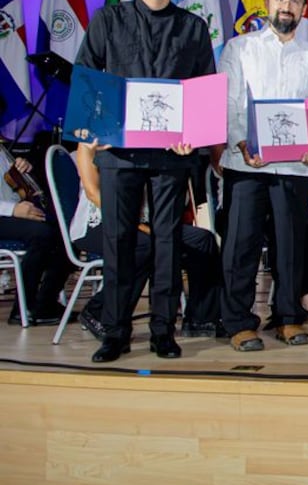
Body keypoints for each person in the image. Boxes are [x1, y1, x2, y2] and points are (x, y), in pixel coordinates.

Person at [75, 0, 217, 363]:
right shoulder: (108, 19)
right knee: (119, 243)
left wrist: (194, 134)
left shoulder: (193, 28)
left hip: (172, 157)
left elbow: (203, 92)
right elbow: (87, 76)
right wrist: (93, 128)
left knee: (169, 243)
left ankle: (162, 331)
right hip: (118, 155)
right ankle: (115, 332)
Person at [216, 0, 308, 351]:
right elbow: (230, 102)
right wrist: (241, 141)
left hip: (296, 168)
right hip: (247, 165)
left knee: (291, 246)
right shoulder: (239, 48)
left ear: (302, 8)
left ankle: (287, 317)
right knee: (240, 245)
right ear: (266, 4)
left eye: (295, 0)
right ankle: (238, 321)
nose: (287, 6)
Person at [72, 143, 222, 339]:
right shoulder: (93, 141)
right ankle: (99, 309)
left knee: (202, 240)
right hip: (101, 222)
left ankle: (200, 318)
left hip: (149, 222)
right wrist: (139, 226)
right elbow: (94, 194)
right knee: (143, 244)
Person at [0, 148, 71, 326]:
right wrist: (12, 210)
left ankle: (45, 302)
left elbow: (12, 182)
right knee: (41, 234)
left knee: (69, 233)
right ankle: (23, 306)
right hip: (7, 213)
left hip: (15, 211)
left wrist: (24, 170)